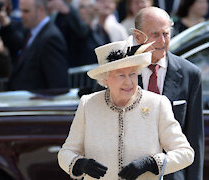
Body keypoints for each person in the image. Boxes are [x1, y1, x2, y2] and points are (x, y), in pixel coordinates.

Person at [58, 36, 195, 179]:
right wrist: (80, 164)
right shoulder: (88, 104)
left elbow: (185, 153)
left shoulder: (157, 104)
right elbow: (66, 153)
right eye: (121, 75)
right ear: (105, 79)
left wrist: (151, 163)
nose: (128, 82)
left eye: (132, 74)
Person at [133, 6, 204, 180]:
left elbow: (194, 138)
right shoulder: (120, 72)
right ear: (137, 36)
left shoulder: (190, 74)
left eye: (166, 34)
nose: (162, 41)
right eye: (155, 34)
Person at [9, 0, 69, 91]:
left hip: (38, 102)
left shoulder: (50, 38)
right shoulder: (32, 33)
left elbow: (58, 84)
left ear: (40, 10)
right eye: (21, 11)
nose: (21, 15)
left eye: (26, 11)